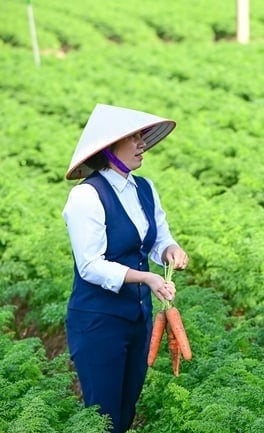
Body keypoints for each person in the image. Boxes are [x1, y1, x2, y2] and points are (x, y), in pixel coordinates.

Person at [62, 104, 189, 433]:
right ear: (108, 148)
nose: (141, 144)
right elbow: (90, 265)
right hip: (98, 321)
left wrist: (171, 251)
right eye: (132, 138)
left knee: (127, 407)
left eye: (141, 137)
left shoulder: (144, 188)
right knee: (104, 416)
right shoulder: (86, 197)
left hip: (138, 320)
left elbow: (160, 240)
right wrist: (146, 277)